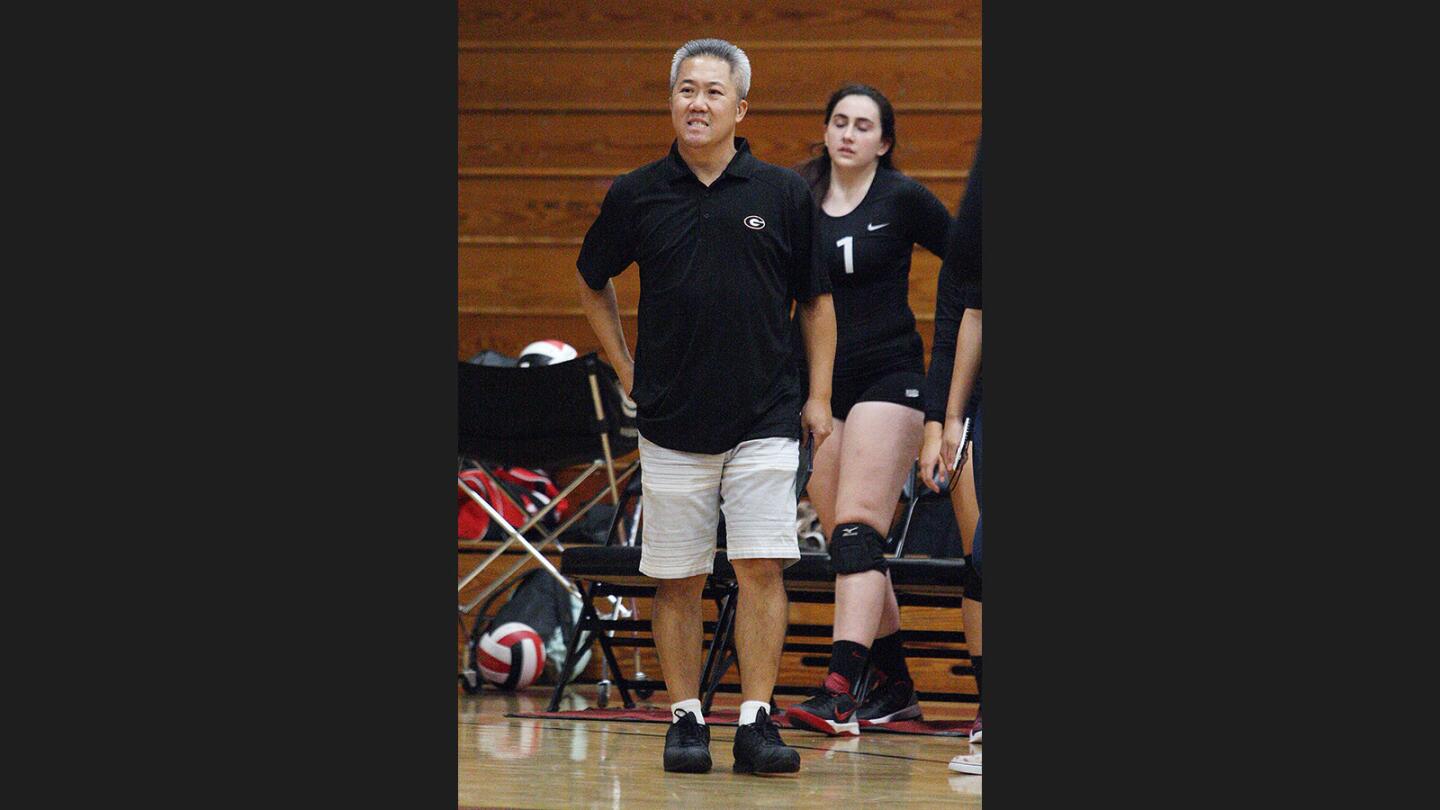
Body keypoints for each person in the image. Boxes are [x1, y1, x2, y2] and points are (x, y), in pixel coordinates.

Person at [575, 38, 837, 776]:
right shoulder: (636, 193)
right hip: (670, 417)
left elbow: (816, 302)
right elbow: (591, 279)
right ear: (672, 102)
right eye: (685, 89)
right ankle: (684, 718)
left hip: (765, 412)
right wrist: (623, 364)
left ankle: (756, 720)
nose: (697, 102)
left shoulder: (783, 194)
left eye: (712, 92)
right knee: (679, 576)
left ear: (740, 107)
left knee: (761, 566)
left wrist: (817, 396)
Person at [781, 84, 954, 736]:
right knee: (850, 547)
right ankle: (895, 685)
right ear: (825, 131)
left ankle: (839, 690)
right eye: (840, 122)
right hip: (823, 388)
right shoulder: (796, 201)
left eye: (864, 125)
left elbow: (968, 260)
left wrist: (950, 383)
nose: (850, 133)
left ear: (884, 141)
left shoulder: (902, 197)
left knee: (857, 530)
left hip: (892, 375)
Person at [918, 138, 983, 776]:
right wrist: (945, 419)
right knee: (983, 560)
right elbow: (956, 328)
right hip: (981, 407)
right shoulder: (973, 242)